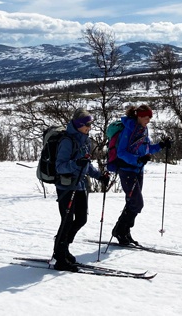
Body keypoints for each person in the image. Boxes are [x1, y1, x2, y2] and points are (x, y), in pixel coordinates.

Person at [53, 108, 110, 271]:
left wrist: (99, 176)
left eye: (90, 124)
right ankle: (60, 256)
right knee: (67, 221)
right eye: (86, 124)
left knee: (81, 219)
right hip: (66, 186)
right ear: (79, 125)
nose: (89, 127)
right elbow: (60, 167)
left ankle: (63, 248)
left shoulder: (84, 139)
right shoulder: (67, 141)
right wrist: (75, 164)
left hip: (79, 185)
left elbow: (86, 164)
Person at [111, 104, 172, 246]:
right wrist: (137, 159)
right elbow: (121, 152)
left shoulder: (143, 129)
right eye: (146, 117)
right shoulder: (128, 129)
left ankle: (123, 231)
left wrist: (161, 145)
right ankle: (120, 230)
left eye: (150, 117)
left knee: (132, 202)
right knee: (137, 203)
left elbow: (147, 148)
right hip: (127, 170)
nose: (149, 120)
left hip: (138, 170)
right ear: (139, 116)